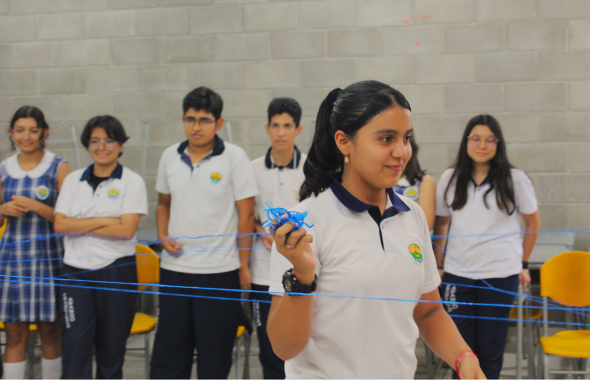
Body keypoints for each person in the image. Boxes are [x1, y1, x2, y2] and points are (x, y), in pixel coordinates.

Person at [266, 80, 486, 380]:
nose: (401, 151)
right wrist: (303, 276)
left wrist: (464, 358)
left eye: (406, 138)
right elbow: (284, 347)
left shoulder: (413, 215)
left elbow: (429, 311)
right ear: (344, 142)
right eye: (386, 139)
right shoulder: (307, 223)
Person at [150, 87, 258, 380]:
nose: (196, 127)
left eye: (204, 120)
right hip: (175, 271)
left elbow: (246, 214)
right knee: (170, 356)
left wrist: (244, 265)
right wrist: (162, 235)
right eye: (190, 119)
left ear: (218, 123)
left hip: (220, 272)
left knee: (215, 358)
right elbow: (162, 203)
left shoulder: (235, 158)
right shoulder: (169, 157)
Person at [433, 115, 540, 380]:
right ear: (466, 142)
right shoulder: (450, 177)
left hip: (500, 276)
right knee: (461, 351)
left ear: (498, 144)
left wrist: (522, 264)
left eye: (490, 139)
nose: (482, 145)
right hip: (458, 275)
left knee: (490, 351)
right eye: (476, 138)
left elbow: (533, 222)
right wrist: (438, 266)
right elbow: (442, 223)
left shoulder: (515, 179)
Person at [53, 115, 148, 380]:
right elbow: (60, 225)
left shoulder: (132, 182)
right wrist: (107, 220)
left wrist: (80, 224)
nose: (101, 146)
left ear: (120, 145)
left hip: (116, 272)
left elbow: (126, 230)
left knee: (111, 350)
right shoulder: (73, 181)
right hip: (75, 273)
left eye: (109, 140)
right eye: (95, 141)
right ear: (87, 144)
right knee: (75, 347)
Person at [0, 106, 70, 380]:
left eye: (32, 130)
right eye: (20, 130)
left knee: (50, 331)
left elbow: (68, 219)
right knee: (15, 333)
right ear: (11, 133)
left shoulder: (58, 167)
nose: (26, 136)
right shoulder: (4, 169)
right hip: (12, 259)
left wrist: (37, 207)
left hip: (48, 258)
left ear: (45, 132)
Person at [250, 97, 305, 380]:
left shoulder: (312, 169)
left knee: (301, 349)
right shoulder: (252, 168)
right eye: (275, 125)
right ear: (267, 128)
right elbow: (246, 214)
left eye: (287, 126)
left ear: (299, 130)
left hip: (301, 273)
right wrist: (260, 229)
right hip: (262, 273)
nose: (281, 132)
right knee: (269, 351)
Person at [393, 136, 436, 231]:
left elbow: (425, 226)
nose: (398, 153)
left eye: (405, 141)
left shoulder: (424, 182)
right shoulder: (376, 182)